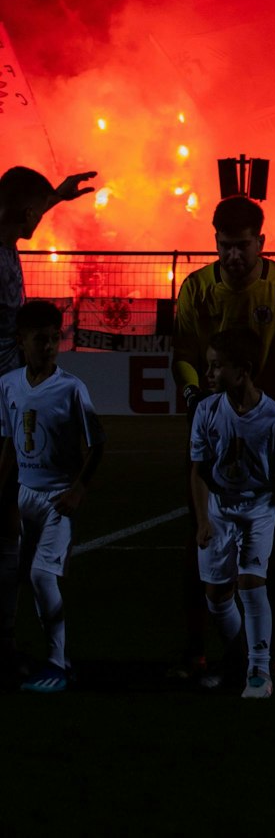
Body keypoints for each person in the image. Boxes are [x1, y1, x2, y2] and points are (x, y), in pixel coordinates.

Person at [169, 195, 275, 684]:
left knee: (270, 550)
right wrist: (194, 397)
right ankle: (197, 650)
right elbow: (183, 351)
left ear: (261, 243)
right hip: (211, 432)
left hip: (264, 435)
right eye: (224, 246)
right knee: (202, 537)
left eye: (242, 246)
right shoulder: (195, 288)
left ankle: (266, 652)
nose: (233, 256)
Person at [0, 165, 94, 669]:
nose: (40, 219)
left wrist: (55, 196)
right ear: (17, 210)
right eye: (35, 211)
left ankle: (8, 638)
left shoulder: (8, 239)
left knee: (12, 525)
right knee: (7, 525)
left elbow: (20, 207)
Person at [189, 329, 275, 699]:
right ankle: (239, 658)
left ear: (244, 371)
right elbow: (199, 469)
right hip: (220, 508)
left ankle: (259, 672)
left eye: (217, 367)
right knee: (216, 596)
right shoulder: (206, 410)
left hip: (258, 508)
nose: (209, 374)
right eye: (209, 365)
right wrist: (204, 519)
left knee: (252, 585)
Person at [0, 301, 104, 692]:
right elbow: (9, 446)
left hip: (58, 498)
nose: (48, 346)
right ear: (20, 341)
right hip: (23, 495)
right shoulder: (8, 385)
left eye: (53, 338)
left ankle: (58, 664)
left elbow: (98, 444)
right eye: (39, 339)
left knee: (43, 576)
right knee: (10, 576)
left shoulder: (72, 388)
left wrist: (78, 489)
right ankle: (11, 651)